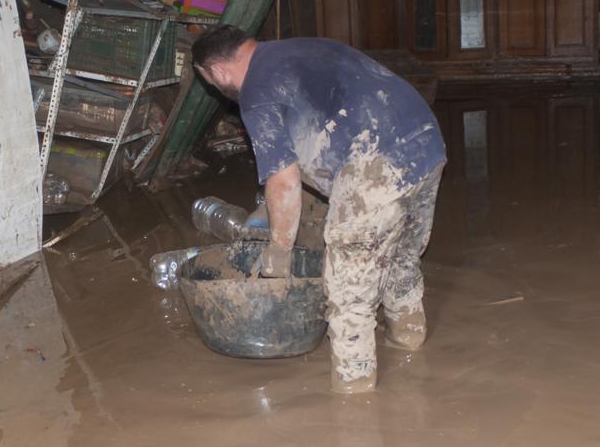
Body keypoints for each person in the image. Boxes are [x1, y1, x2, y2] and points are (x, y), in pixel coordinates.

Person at [191, 25, 446, 394]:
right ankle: (409, 343)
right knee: (401, 259)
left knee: (348, 297)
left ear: (217, 72)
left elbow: (283, 181)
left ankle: (354, 397)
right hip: (426, 143)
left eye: (210, 82)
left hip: (375, 166)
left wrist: (279, 252)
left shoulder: (257, 92)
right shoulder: (309, 47)